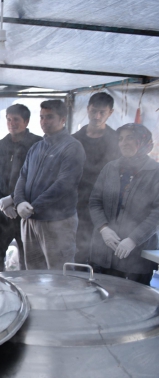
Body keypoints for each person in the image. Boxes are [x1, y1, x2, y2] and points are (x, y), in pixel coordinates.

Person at [13, 100, 85, 270]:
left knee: (60, 272)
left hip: (57, 222)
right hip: (31, 220)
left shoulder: (72, 147)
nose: (44, 121)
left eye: (50, 117)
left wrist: (32, 207)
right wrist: (19, 202)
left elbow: (64, 184)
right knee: (33, 271)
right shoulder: (36, 147)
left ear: (63, 119)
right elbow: (22, 176)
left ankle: (63, 298)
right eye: (42, 117)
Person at [88, 124, 159, 285]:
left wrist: (133, 239)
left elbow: (157, 213)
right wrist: (103, 228)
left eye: (130, 138)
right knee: (101, 298)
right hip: (103, 252)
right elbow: (95, 202)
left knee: (133, 304)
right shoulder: (110, 168)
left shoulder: (155, 172)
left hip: (136, 255)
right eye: (120, 139)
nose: (123, 143)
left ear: (144, 141)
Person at [0, 104, 42, 272]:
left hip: (26, 212)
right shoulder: (0, 145)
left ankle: (27, 293)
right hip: (1, 213)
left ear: (26, 121)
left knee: (29, 260)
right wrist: (1, 202)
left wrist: (14, 200)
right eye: (9, 119)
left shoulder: (37, 145)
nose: (11, 123)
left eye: (16, 120)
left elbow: (37, 179)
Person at [72, 92, 119, 263]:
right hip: (77, 205)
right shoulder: (74, 140)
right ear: (87, 109)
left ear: (110, 113)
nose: (96, 116)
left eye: (102, 112)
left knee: (101, 255)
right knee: (78, 252)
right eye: (93, 111)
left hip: (105, 207)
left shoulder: (116, 140)